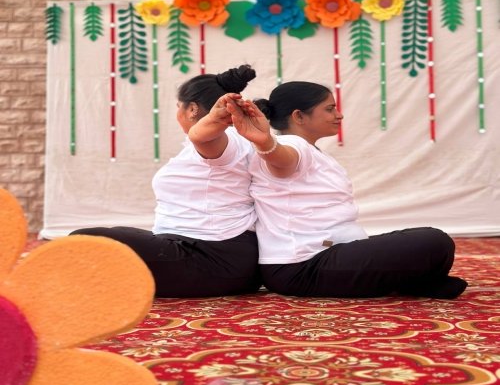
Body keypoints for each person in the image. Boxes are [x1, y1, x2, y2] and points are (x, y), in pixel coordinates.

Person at [225, 81, 468, 299]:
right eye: (329, 109)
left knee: (420, 238)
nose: (339, 115)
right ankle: (415, 280)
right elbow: (282, 160)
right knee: (435, 242)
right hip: (301, 266)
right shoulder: (292, 145)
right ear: (299, 116)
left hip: (319, 258)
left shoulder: (310, 149)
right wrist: (265, 143)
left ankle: (412, 280)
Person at [70, 65, 261, 298]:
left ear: (192, 109)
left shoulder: (224, 141)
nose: (177, 113)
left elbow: (205, 138)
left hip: (214, 258)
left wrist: (215, 119)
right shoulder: (217, 143)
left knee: (84, 241)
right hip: (210, 253)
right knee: (116, 234)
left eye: (179, 106)